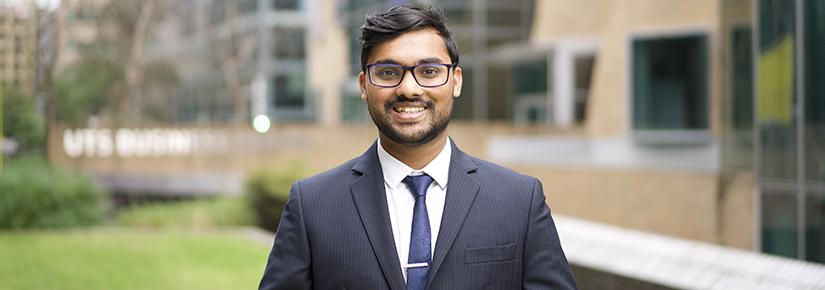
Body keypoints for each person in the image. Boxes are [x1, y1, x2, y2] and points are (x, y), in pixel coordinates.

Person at [258, 4, 577, 290]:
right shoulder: (312, 205)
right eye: (387, 72)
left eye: (429, 71)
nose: (408, 88)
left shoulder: (519, 201)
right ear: (363, 86)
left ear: (456, 81)